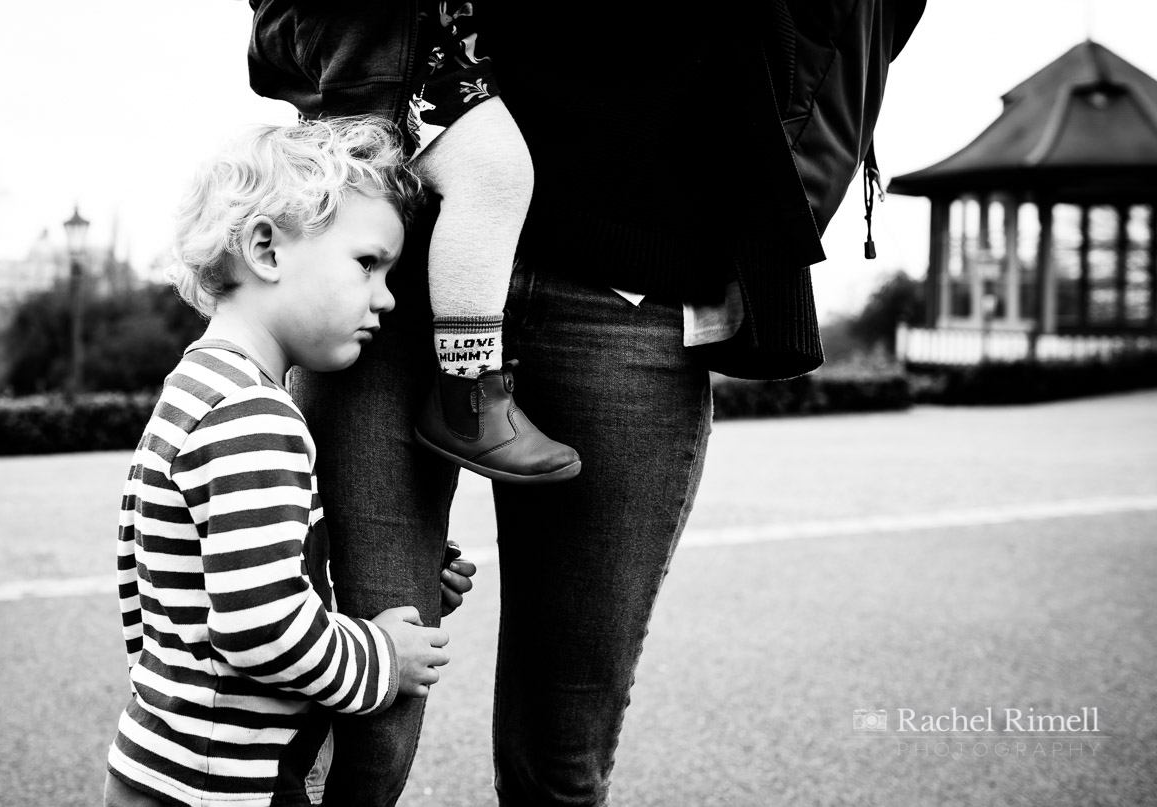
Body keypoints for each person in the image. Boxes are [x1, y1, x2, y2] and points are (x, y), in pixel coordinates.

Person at [245, 1, 928, 804]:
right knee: (359, 725)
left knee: (562, 756)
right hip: (398, 251)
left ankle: (470, 389)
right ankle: (472, 385)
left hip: (639, 281)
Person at [102, 118, 475, 807]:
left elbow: (174, 574)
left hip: (168, 762)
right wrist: (382, 657)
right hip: (227, 783)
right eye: (368, 263)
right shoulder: (254, 413)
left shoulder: (198, 387)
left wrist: (418, 573)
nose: (388, 297)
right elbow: (260, 626)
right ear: (267, 249)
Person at [251, 2, 580, 485]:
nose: (381, 298)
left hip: (400, 39)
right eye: (366, 267)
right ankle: (468, 392)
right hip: (383, 42)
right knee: (493, 170)